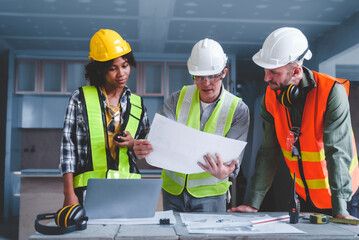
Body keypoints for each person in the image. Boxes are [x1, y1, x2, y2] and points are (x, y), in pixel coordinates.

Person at [228, 27, 359, 219]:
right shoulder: (271, 98)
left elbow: (337, 151)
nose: (266, 78)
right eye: (265, 71)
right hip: (305, 197)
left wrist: (340, 209)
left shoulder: (331, 92)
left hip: (343, 197)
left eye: (273, 72)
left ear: (296, 70)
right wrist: (253, 203)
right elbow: (268, 151)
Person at [134, 38, 250, 212]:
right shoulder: (177, 98)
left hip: (211, 195)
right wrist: (144, 145)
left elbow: (234, 158)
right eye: (200, 76)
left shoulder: (238, 109)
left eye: (212, 76)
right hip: (173, 191)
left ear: (224, 73)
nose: (206, 83)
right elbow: (158, 135)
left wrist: (227, 171)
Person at [59, 29, 149, 206]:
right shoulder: (80, 98)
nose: (121, 73)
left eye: (124, 65)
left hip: (129, 190)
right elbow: (67, 148)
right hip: (88, 190)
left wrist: (134, 144)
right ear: (100, 70)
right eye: (112, 68)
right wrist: (68, 193)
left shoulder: (138, 104)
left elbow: (145, 149)